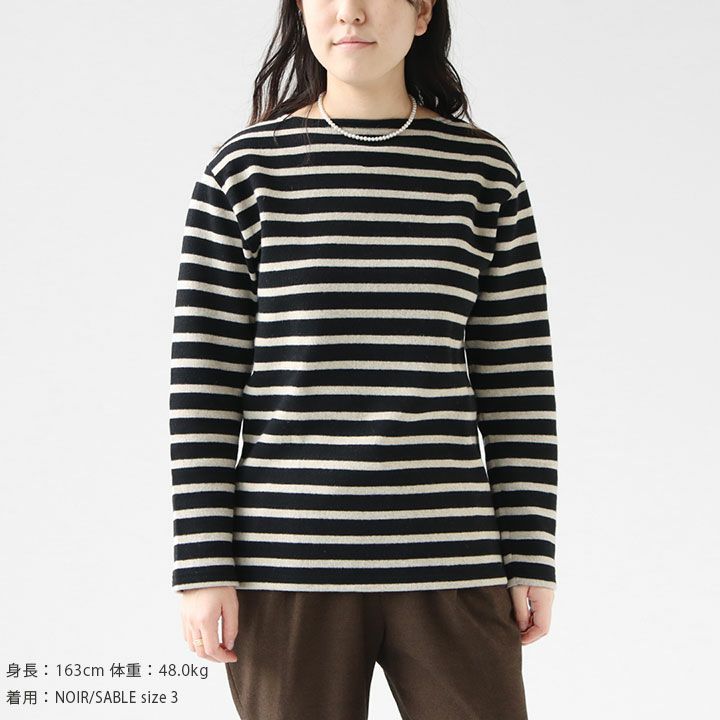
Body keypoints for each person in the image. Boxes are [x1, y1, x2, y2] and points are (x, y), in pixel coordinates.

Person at [168, 1, 558, 718]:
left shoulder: (482, 171)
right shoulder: (244, 171)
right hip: (287, 563)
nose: (349, 12)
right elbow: (204, 381)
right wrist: (202, 565)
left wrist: (531, 551)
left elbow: (518, 380)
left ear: (421, 11)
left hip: (452, 557)